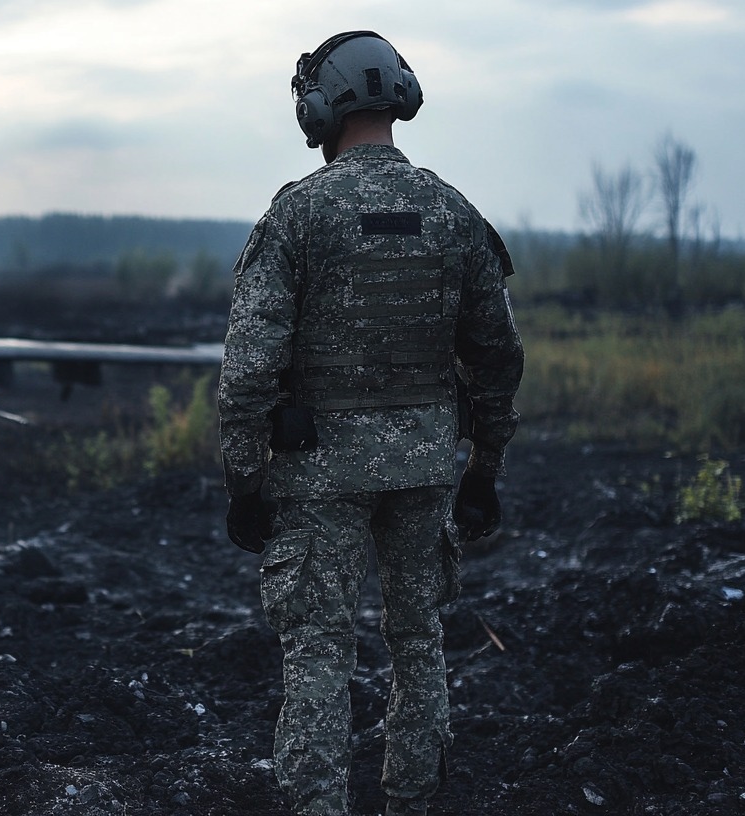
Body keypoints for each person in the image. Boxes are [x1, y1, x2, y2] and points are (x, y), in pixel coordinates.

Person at [216, 30, 524, 816]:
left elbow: (248, 369)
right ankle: (411, 801)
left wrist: (244, 481)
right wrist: (484, 468)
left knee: (318, 647)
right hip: (425, 471)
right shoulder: (455, 214)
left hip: (319, 475)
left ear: (319, 109)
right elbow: (497, 358)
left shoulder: (299, 215)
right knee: (418, 641)